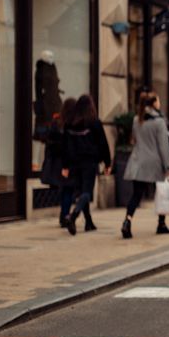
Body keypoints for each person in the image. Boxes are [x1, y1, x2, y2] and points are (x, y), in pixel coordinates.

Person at [121, 91, 169, 239]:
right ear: (153, 104)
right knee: (161, 194)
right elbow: (163, 147)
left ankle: (127, 221)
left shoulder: (136, 120)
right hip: (154, 163)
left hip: (138, 161)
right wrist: (168, 167)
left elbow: (135, 141)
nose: (160, 103)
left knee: (136, 195)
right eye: (158, 100)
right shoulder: (159, 122)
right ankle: (161, 224)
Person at [62, 95, 111, 235]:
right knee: (86, 193)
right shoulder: (94, 122)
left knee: (82, 192)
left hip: (74, 163)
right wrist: (107, 162)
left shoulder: (70, 123)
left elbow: (65, 146)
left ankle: (89, 222)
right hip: (89, 162)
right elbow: (103, 143)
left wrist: (65, 165)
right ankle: (74, 215)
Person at [40, 97, 76, 228]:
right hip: (68, 162)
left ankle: (64, 214)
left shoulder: (56, 122)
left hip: (57, 162)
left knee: (65, 189)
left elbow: (49, 142)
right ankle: (65, 215)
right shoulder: (72, 124)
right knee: (68, 189)